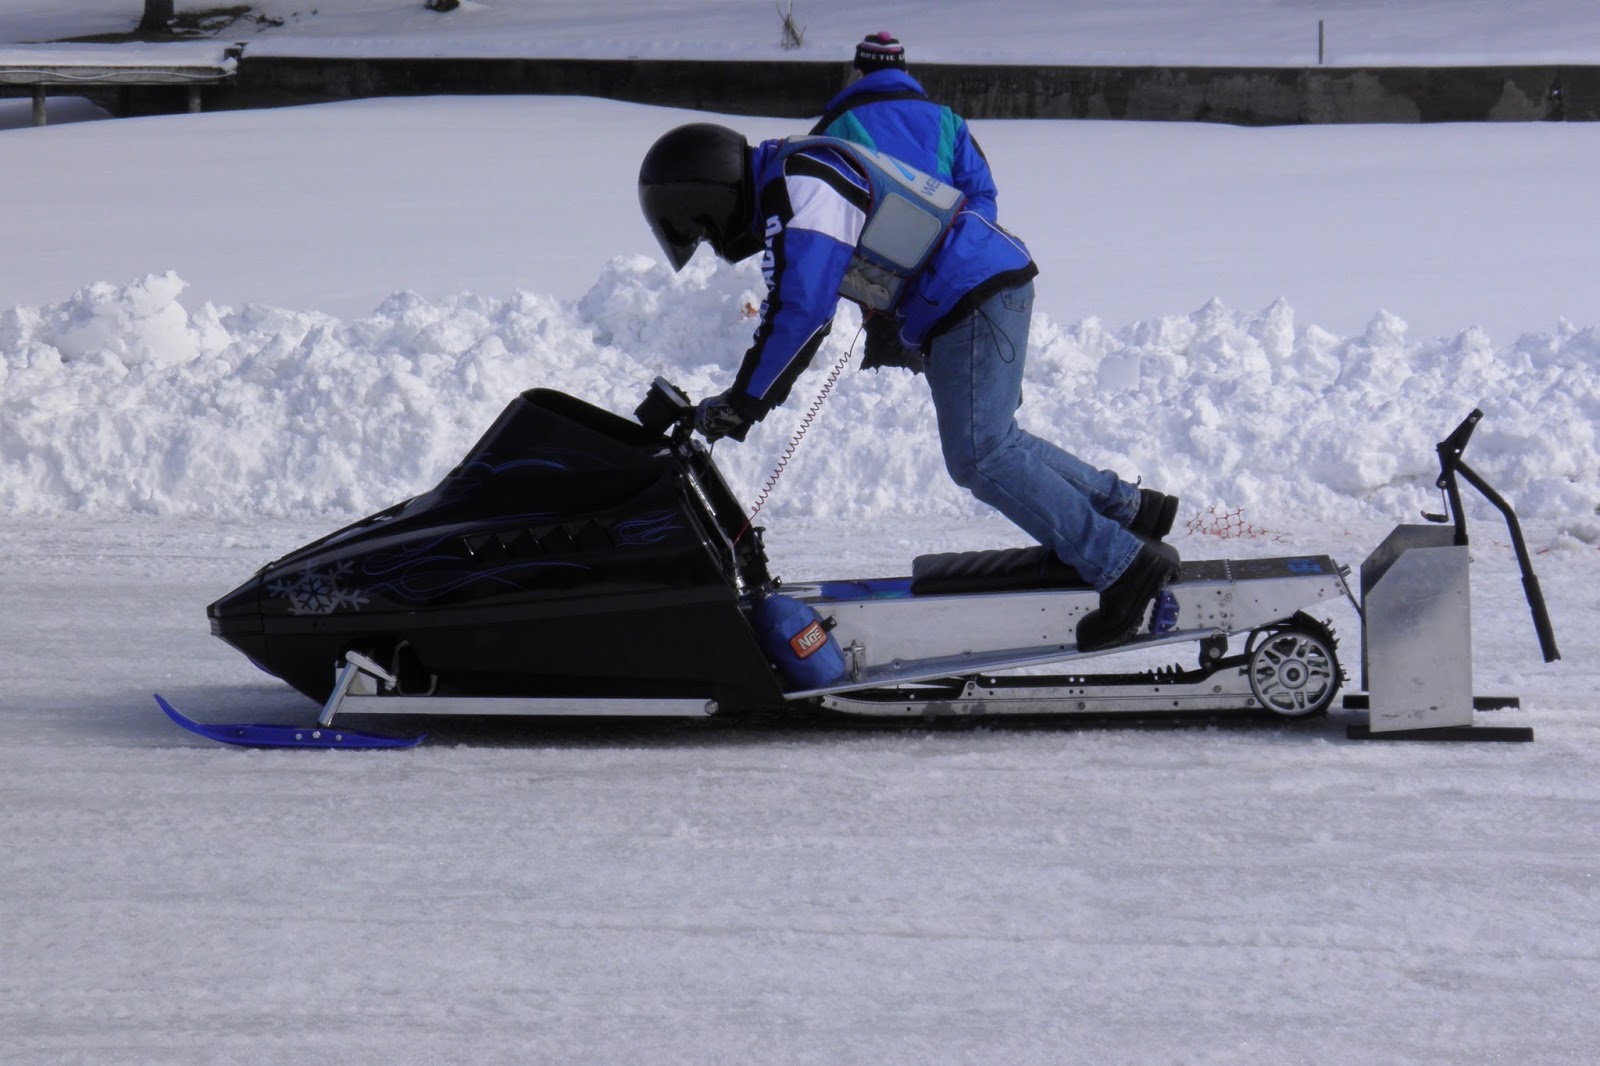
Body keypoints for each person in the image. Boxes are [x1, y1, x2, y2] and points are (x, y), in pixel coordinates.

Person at [636, 123, 1181, 651]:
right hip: (974, 286)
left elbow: (800, 311)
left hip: (972, 291)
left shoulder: (801, 184)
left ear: (708, 198)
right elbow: (804, 295)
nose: (713, 241)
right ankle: (1132, 514)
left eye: (703, 230)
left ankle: (1123, 565)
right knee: (996, 444)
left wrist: (744, 403)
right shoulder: (793, 175)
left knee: (981, 456)